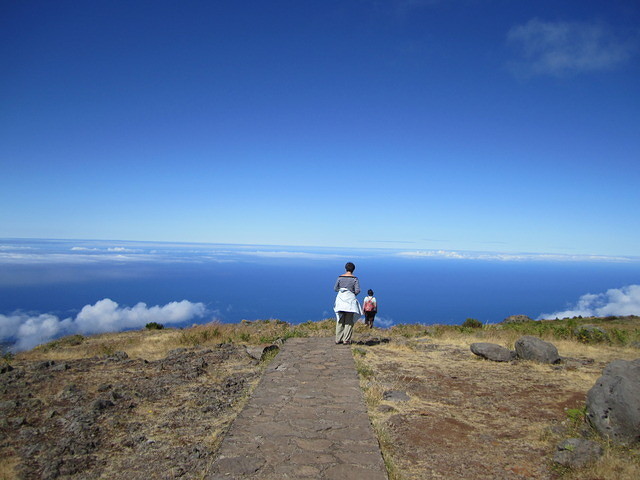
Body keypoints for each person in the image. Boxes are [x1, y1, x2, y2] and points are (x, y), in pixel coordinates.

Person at [333, 262, 361, 345]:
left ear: (345, 268)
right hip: (350, 302)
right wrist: (351, 294)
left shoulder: (340, 278)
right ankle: (346, 340)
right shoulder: (355, 279)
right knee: (349, 321)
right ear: (353, 269)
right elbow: (357, 290)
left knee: (340, 319)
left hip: (340, 301)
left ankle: (338, 339)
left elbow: (335, 288)